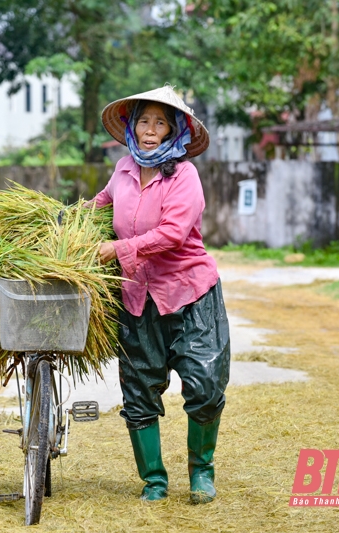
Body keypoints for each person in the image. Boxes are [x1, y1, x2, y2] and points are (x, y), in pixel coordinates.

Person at [89, 86, 230, 504]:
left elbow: (172, 234)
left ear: (174, 129)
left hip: (189, 294)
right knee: (138, 389)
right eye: (144, 121)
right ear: (132, 126)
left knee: (205, 384)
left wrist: (118, 249)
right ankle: (154, 479)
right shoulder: (124, 169)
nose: (150, 131)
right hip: (137, 297)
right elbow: (101, 204)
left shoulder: (184, 175)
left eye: (160, 122)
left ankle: (201, 472)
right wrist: (63, 221)